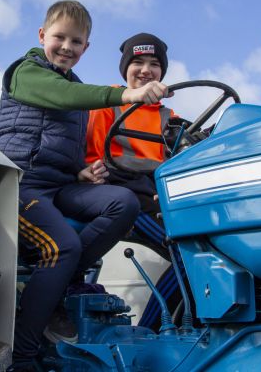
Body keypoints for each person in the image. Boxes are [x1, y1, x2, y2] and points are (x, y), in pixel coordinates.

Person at [0, 1, 170, 372]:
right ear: (42, 36)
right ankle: (22, 356)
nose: (66, 47)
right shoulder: (26, 72)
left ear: (86, 48)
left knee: (123, 202)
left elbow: (62, 143)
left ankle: (65, 284)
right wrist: (128, 94)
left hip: (60, 186)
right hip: (21, 184)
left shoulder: (73, 88)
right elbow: (63, 97)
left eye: (77, 41)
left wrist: (81, 173)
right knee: (62, 247)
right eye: (59, 37)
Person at [85, 32, 185, 330]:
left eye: (154, 64)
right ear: (125, 68)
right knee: (186, 258)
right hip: (125, 195)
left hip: (159, 199)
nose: (145, 70)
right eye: (137, 62)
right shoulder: (109, 105)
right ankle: (150, 330)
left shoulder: (172, 117)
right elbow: (92, 158)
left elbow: (182, 160)